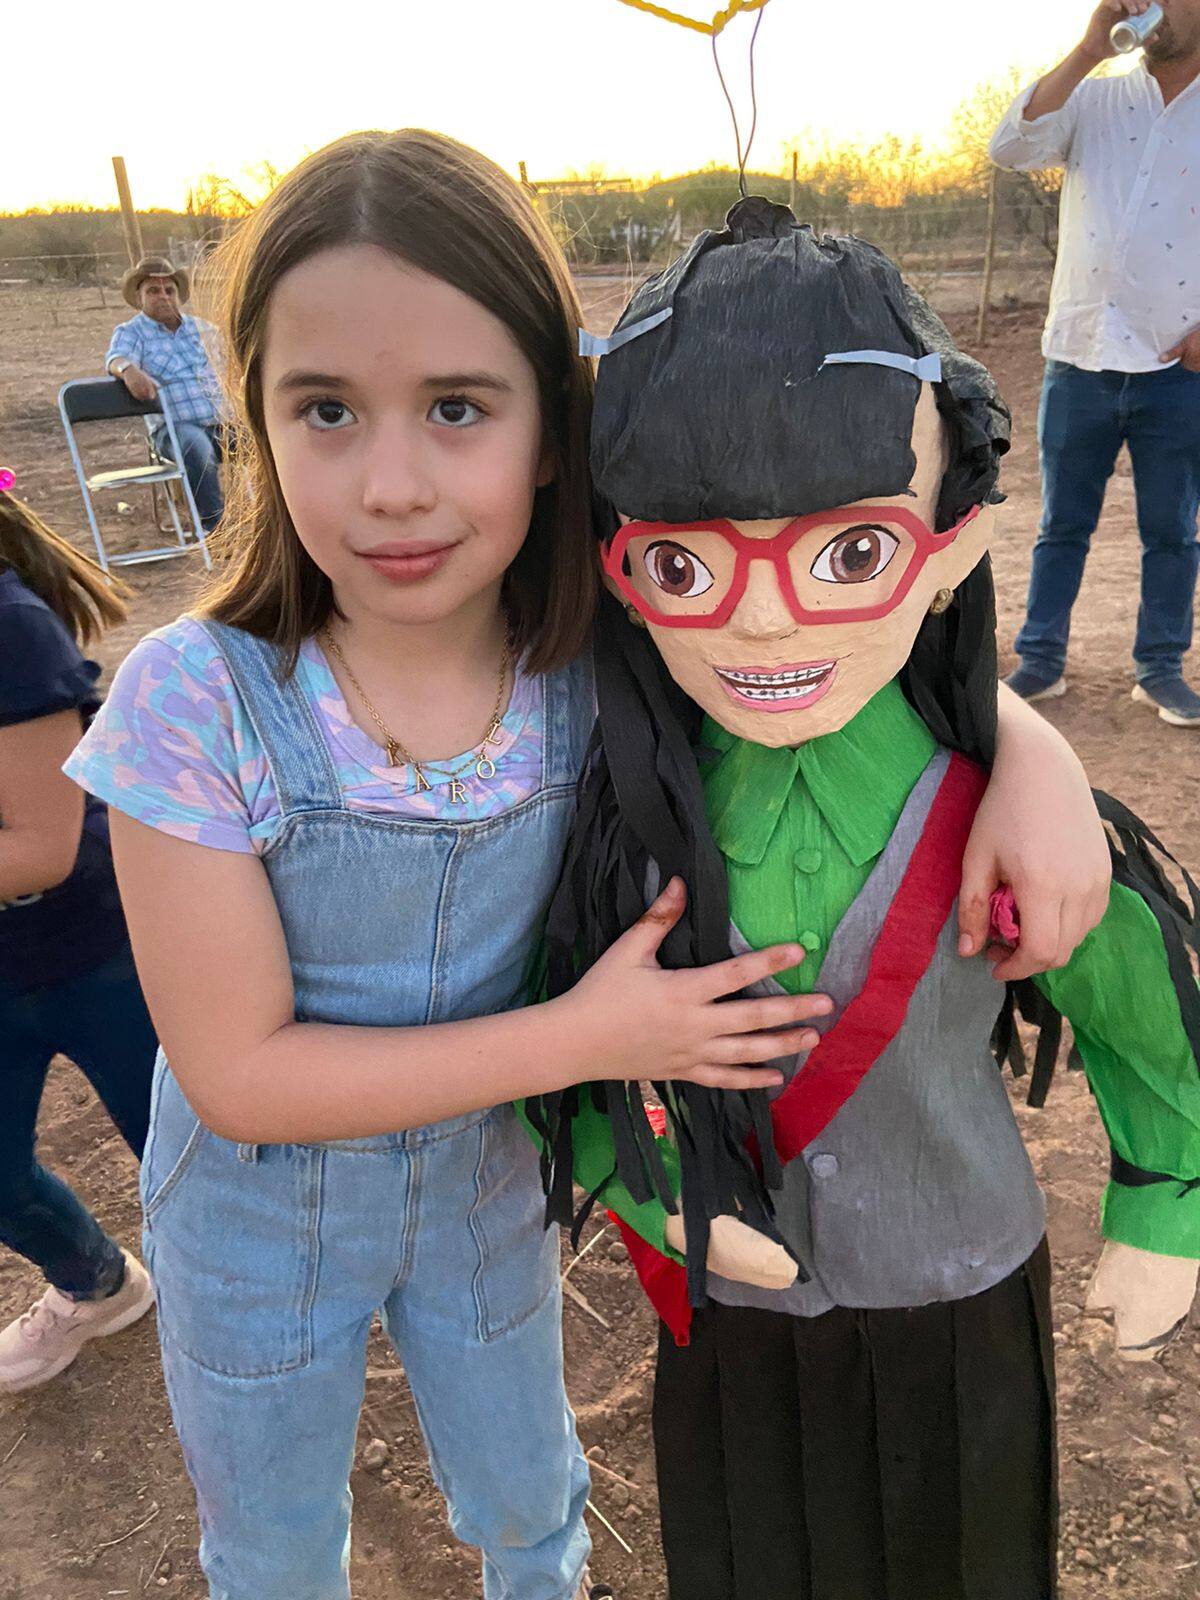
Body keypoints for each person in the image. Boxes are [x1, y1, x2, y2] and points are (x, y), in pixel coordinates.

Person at [70, 133, 1112, 1600]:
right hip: (253, 1225)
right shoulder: (192, 701)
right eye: (325, 409)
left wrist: (1026, 753)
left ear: (558, 430)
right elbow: (241, 1075)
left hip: (489, 1198)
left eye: (457, 407)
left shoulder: (589, 657)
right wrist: (590, 1038)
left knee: (529, 1497)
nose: (391, 483)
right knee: (275, 1539)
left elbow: (813, 677)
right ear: (253, 416)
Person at [527, 200, 1200, 1600]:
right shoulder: (614, 809)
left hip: (960, 1292)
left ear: (948, 546)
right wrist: (656, 1195)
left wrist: (1166, 1194)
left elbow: (1136, 994)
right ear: (620, 567)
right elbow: (561, 1043)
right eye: (685, 565)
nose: (764, 617)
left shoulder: (999, 808)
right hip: (731, 1308)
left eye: (849, 554)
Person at [990, 0, 1200, 726]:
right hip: (1079, 357)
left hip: (1177, 370)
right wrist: (1085, 51)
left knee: (1172, 531)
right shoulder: (1095, 97)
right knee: (1061, 526)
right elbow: (1009, 147)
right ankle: (1040, 661)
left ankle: (1160, 669)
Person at [0, 480, 157, 1394]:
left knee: (186, 1153)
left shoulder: (11, 628)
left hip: (99, 951)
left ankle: (277, 1293)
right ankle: (96, 1284)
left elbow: (40, 848)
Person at [105, 255, 228, 533]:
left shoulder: (204, 329)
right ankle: (215, 530)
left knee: (270, 438)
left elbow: (233, 362)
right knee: (196, 448)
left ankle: (279, 523)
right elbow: (117, 358)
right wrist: (128, 370)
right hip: (174, 430)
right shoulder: (132, 332)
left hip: (222, 422)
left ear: (178, 295)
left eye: (169, 290)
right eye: (153, 290)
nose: (163, 296)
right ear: (139, 298)